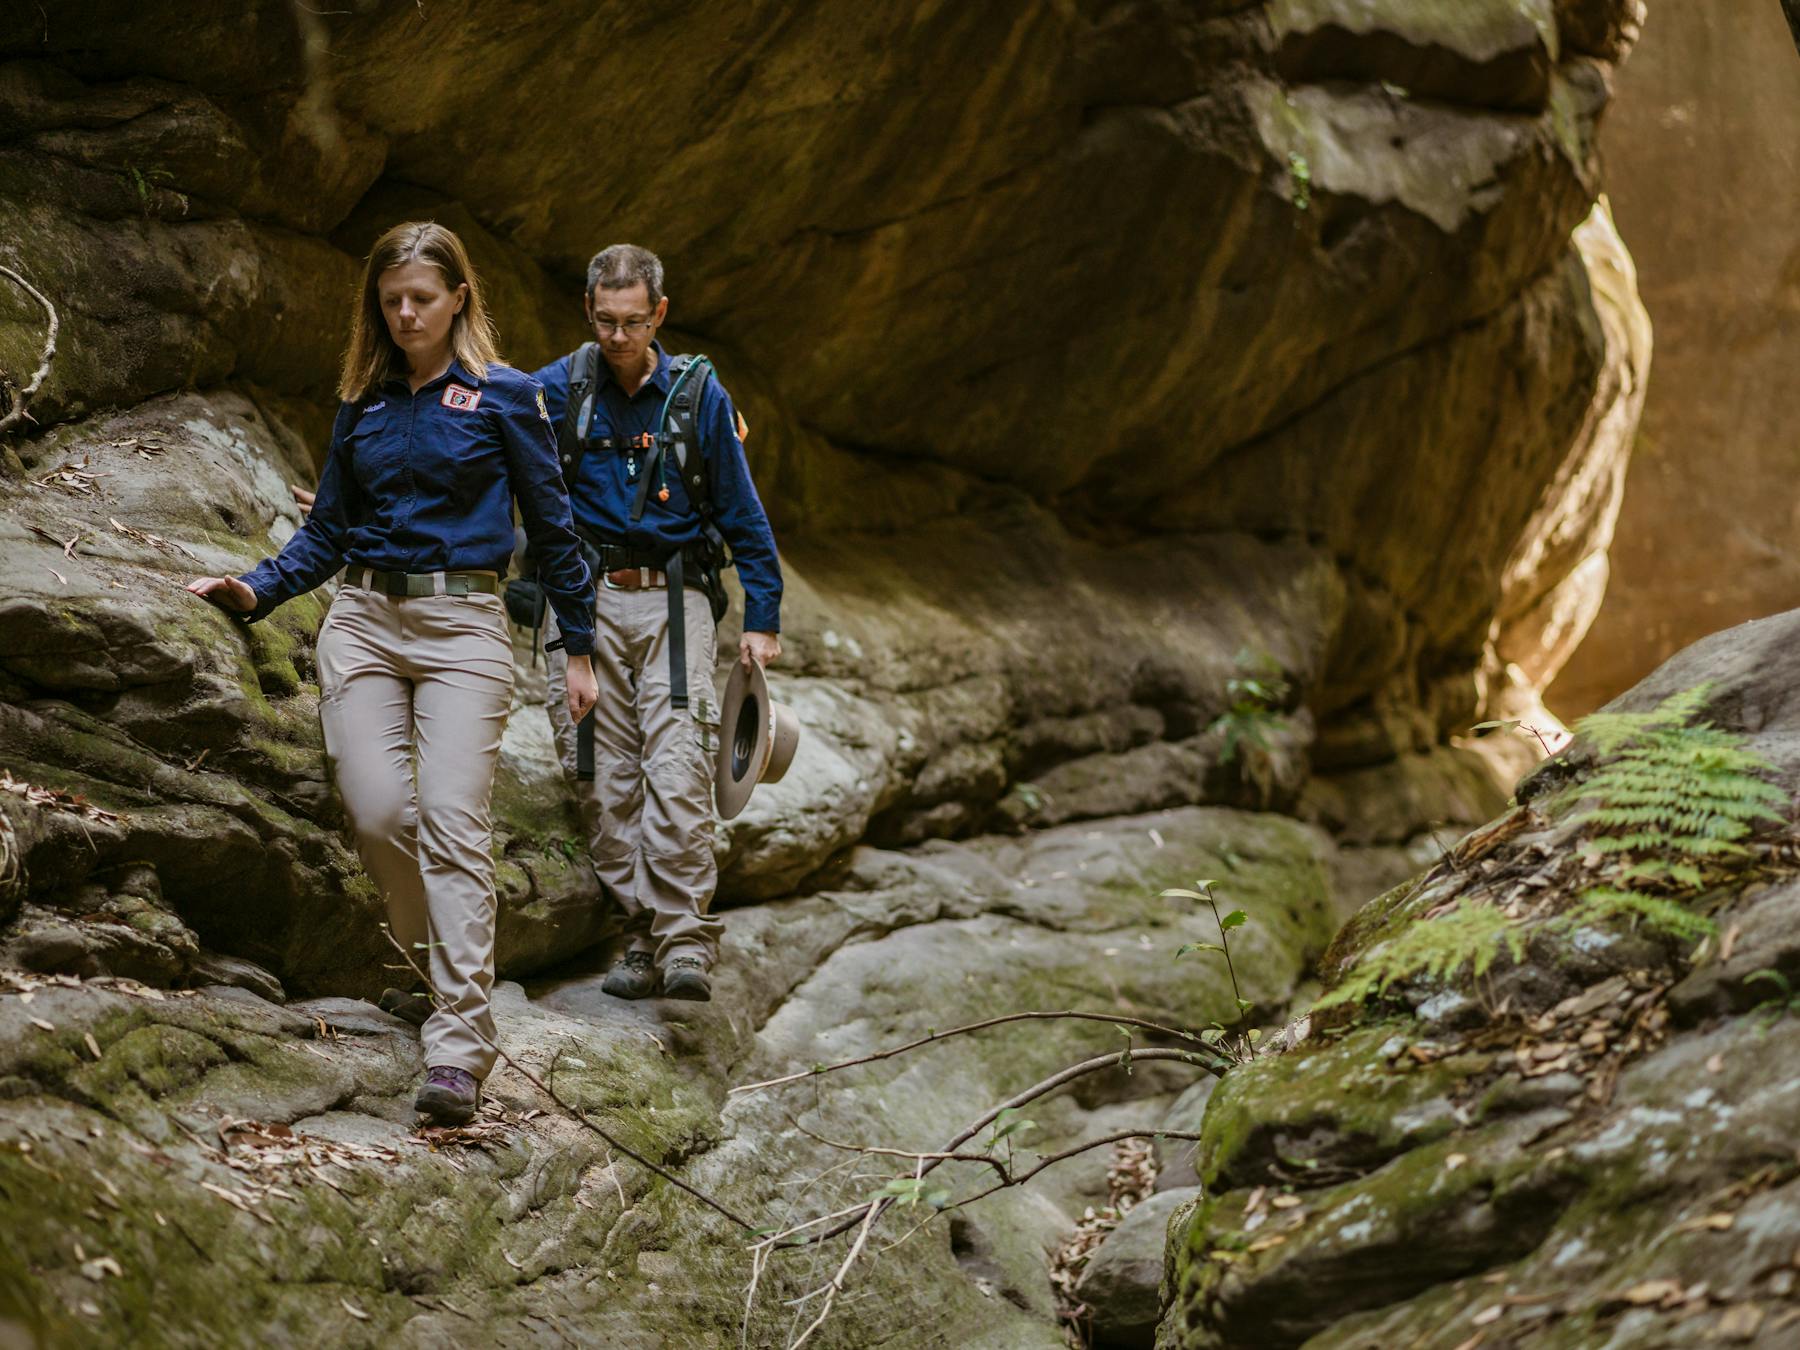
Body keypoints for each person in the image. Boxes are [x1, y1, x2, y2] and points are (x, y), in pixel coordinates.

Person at [188, 222, 599, 1126]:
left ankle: (458, 1044)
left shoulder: (507, 397)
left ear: (460, 298)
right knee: (378, 813)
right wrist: (255, 589)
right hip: (365, 622)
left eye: (423, 297)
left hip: (464, 628)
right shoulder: (362, 405)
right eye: (391, 301)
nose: (407, 313)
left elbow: (557, 530)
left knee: (453, 820)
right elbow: (329, 530)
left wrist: (580, 648)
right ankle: (423, 969)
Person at [532, 243, 782, 1003]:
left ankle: (684, 944)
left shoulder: (699, 396)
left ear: (660, 314)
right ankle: (639, 936)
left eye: (633, 321)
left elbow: (742, 509)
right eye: (605, 320)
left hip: (675, 601)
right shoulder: (556, 389)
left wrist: (762, 615)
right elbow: (471, 453)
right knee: (603, 782)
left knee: (675, 770)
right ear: (588, 312)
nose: (617, 336)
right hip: (581, 604)